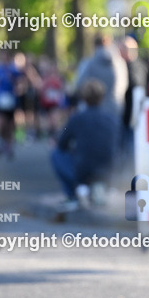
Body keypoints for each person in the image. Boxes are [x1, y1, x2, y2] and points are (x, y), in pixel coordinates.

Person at [50, 79, 119, 208]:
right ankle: (102, 187)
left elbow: (62, 144)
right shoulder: (112, 118)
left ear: (83, 98)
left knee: (55, 154)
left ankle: (72, 195)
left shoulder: (76, 118)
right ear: (102, 97)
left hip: (83, 170)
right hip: (107, 168)